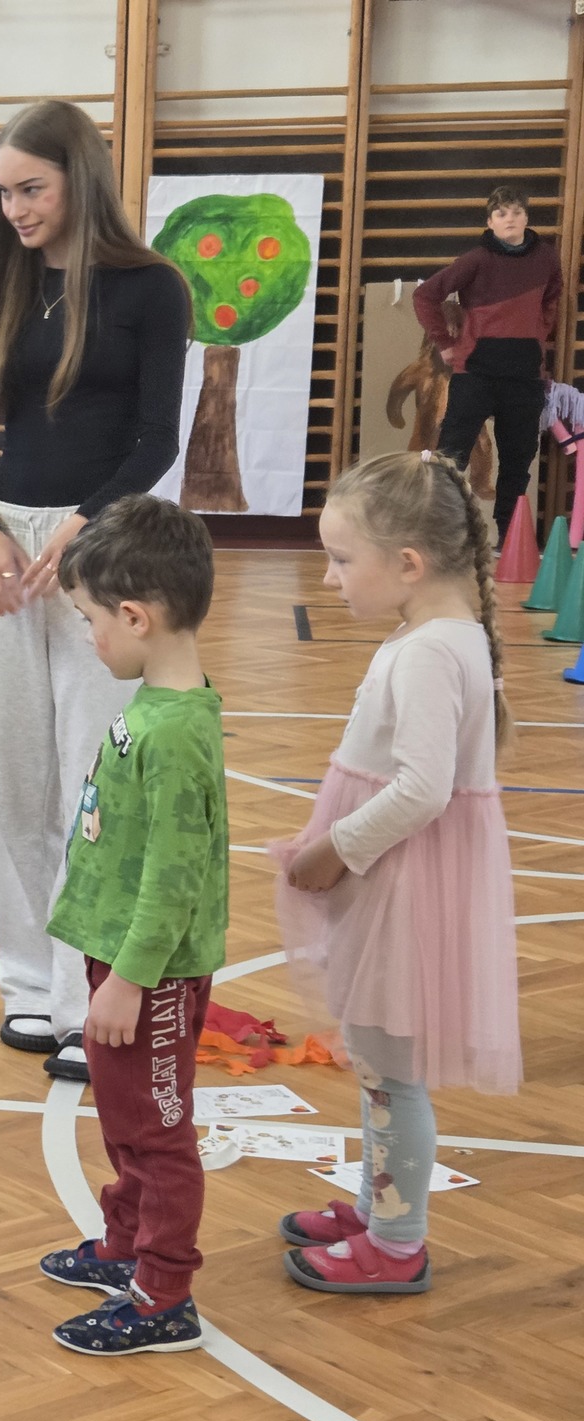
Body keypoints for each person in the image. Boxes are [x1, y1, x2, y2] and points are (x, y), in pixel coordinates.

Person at [0, 99, 191, 1084]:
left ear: (78, 178)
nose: (14, 209)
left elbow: (157, 436)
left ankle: (88, 998)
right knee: (13, 776)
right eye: (4, 192)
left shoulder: (150, 288)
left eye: (31, 189)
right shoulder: (1, 283)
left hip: (107, 546)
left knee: (94, 779)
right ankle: (28, 985)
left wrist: (87, 523)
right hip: (5, 552)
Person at [272, 451, 519, 1296]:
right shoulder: (439, 636)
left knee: (390, 1073)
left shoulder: (429, 652)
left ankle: (397, 1241)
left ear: (408, 564)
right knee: (379, 1064)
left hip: (402, 882)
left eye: (342, 560)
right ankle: (378, 1205)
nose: (330, 578)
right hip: (396, 874)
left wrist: (332, 849)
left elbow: (422, 789)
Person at [37, 494, 227, 1357]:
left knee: (157, 1130)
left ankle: (163, 1294)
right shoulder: (156, 702)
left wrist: (131, 978)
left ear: (137, 617)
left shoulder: (177, 731)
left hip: (146, 972)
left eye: (90, 620)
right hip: (118, 958)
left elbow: (175, 877)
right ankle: (124, 1243)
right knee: (125, 1119)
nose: (89, 637)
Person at [413, 185, 562, 535]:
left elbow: (552, 298)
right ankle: (442, 531)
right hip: (476, 373)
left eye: (516, 212)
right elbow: (425, 296)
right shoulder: (476, 259)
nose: (510, 219)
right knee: (452, 455)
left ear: (526, 217)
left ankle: (508, 536)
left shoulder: (547, 258)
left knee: (518, 460)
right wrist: (444, 342)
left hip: (524, 375)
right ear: (490, 221)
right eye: (501, 213)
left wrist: (538, 332)